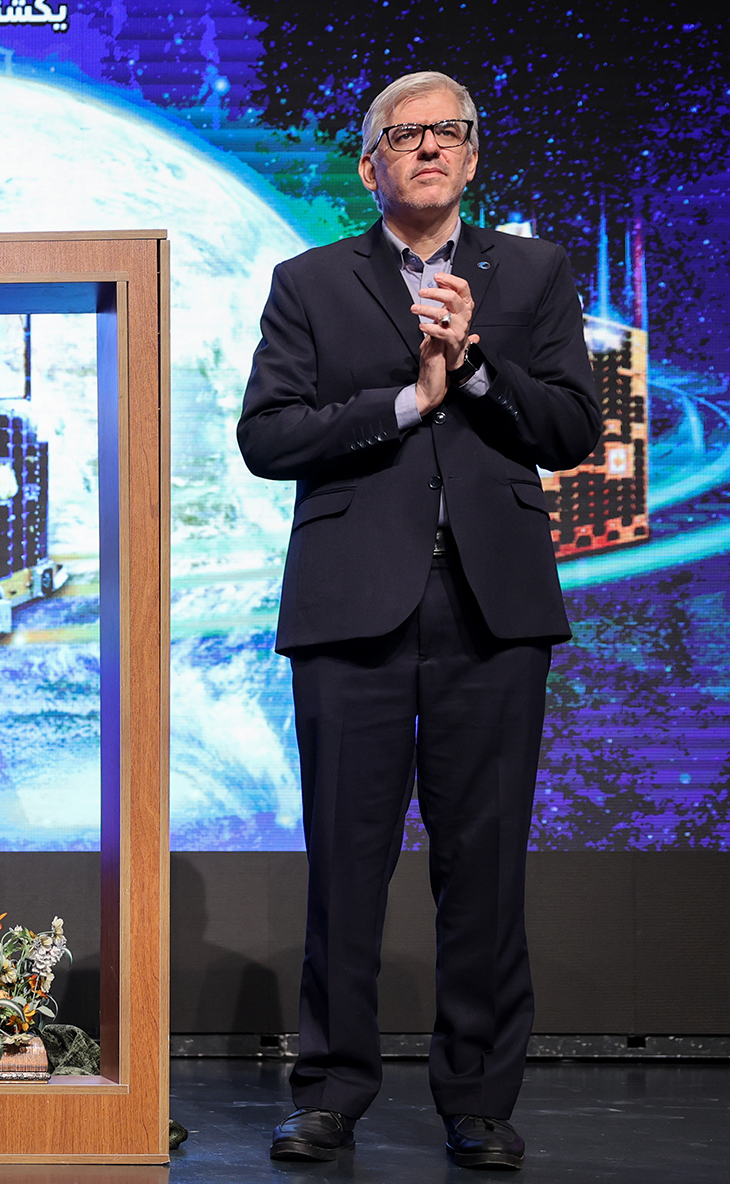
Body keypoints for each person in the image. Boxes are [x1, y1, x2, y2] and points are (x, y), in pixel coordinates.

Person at [236, 72, 602, 1170]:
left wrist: (476, 368)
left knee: (482, 867)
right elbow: (267, 436)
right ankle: (329, 1090)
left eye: (449, 132)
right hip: (351, 607)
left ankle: (477, 1099)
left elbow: (571, 428)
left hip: (492, 611)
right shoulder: (309, 281)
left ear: (473, 157)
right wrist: (406, 403)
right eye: (405, 134)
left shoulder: (532, 273)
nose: (429, 147)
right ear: (370, 166)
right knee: (345, 864)